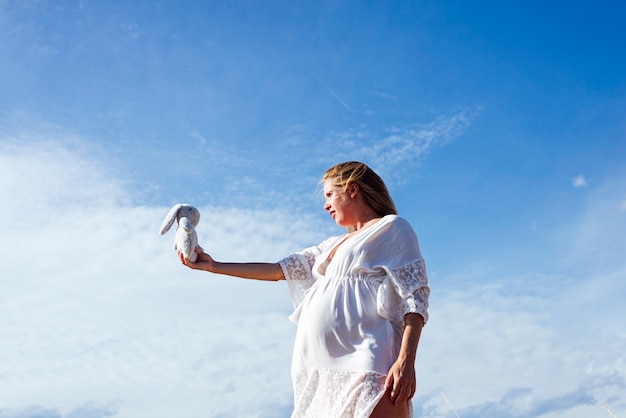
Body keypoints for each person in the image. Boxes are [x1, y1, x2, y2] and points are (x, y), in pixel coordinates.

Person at [179, 161, 430, 418]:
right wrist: (214, 266)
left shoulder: (392, 228)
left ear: (353, 190)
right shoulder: (331, 245)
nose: (326, 205)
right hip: (318, 371)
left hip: (369, 357)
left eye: (331, 194)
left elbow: (415, 299)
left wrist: (406, 361)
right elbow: (277, 270)